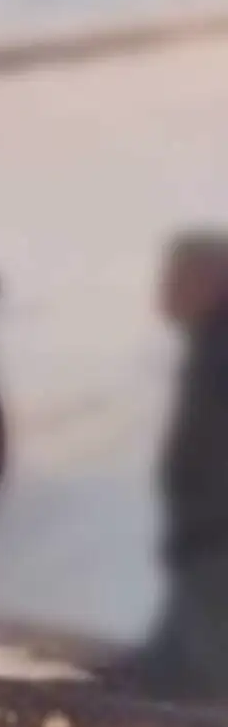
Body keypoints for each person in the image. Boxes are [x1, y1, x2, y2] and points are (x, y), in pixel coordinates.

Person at [126, 234, 228, 701]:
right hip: (199, 547)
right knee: (170, 667)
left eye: (176, 282)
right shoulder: (209, 343)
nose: (164, 294)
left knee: (201, 697)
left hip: (214, 547)